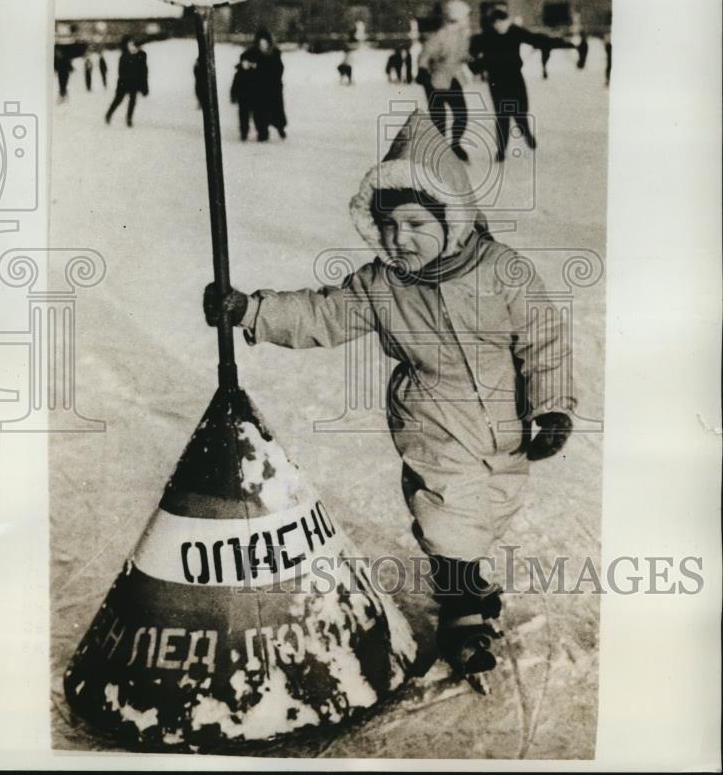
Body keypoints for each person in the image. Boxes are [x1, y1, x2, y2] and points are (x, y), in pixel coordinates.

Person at [203, 110, 575, 691]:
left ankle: (468, 582)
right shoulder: (381, 283)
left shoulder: (503, 271)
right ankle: (462, 616)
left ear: (450, 219)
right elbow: (322, 312)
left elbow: (544, 339)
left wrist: (551, 407)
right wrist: (251, 310)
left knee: (485, 512)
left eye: (413, 224)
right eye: (388, 226)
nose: (398, 239)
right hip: (430, 420)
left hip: (506, 422)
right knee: (444, 518)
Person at [469, 9, 574, 161]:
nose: (498, 26)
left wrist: (559, 42)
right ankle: (501, 150)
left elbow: (535, 39)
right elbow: (476, 53)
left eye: (501, 23)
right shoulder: (487, 36)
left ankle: (526, 134)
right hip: (497, 80)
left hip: (514, 78)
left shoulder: (514, 31)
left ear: (505, 21)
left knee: (520, 113)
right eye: (495, 23)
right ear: (492, 24)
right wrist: (474, 63)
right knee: (502, 116)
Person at [416, 0, 472, 161]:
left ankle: (455, 144)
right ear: (457, 17)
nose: (468, 20)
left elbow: (462, 55)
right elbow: (425, 55)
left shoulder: (463, 35)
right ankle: (441, 151)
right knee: (439, 117)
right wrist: (422, 70)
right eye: (466, 17)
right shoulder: (440, 36)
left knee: (461, 114)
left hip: (452, 78)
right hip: (435, 81)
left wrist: (471, 59)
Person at [230, 28, 286, 141]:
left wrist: (258, 68)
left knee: (272, 112)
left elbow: (277, 71)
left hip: (270, 89)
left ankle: (276, 129)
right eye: (260, 43)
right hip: (254, 89)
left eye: (265, 43)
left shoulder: (274, 54)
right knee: (253, 112)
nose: (263, 45)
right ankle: (248, 132)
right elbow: (241, 69)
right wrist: (244, 65)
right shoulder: (251, 53)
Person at [105, 37, 148, 127]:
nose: (133, 48)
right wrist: (122, 82)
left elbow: (144, 71)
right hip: (124, 82)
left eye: (136, 46)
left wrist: (144, 87)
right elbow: (121, 71)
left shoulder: (142, 55)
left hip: (135, 82)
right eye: (131, 45)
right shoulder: (124, 56)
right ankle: (109, 114)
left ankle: (129, 119)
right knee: (118, 100)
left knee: (132, 101)